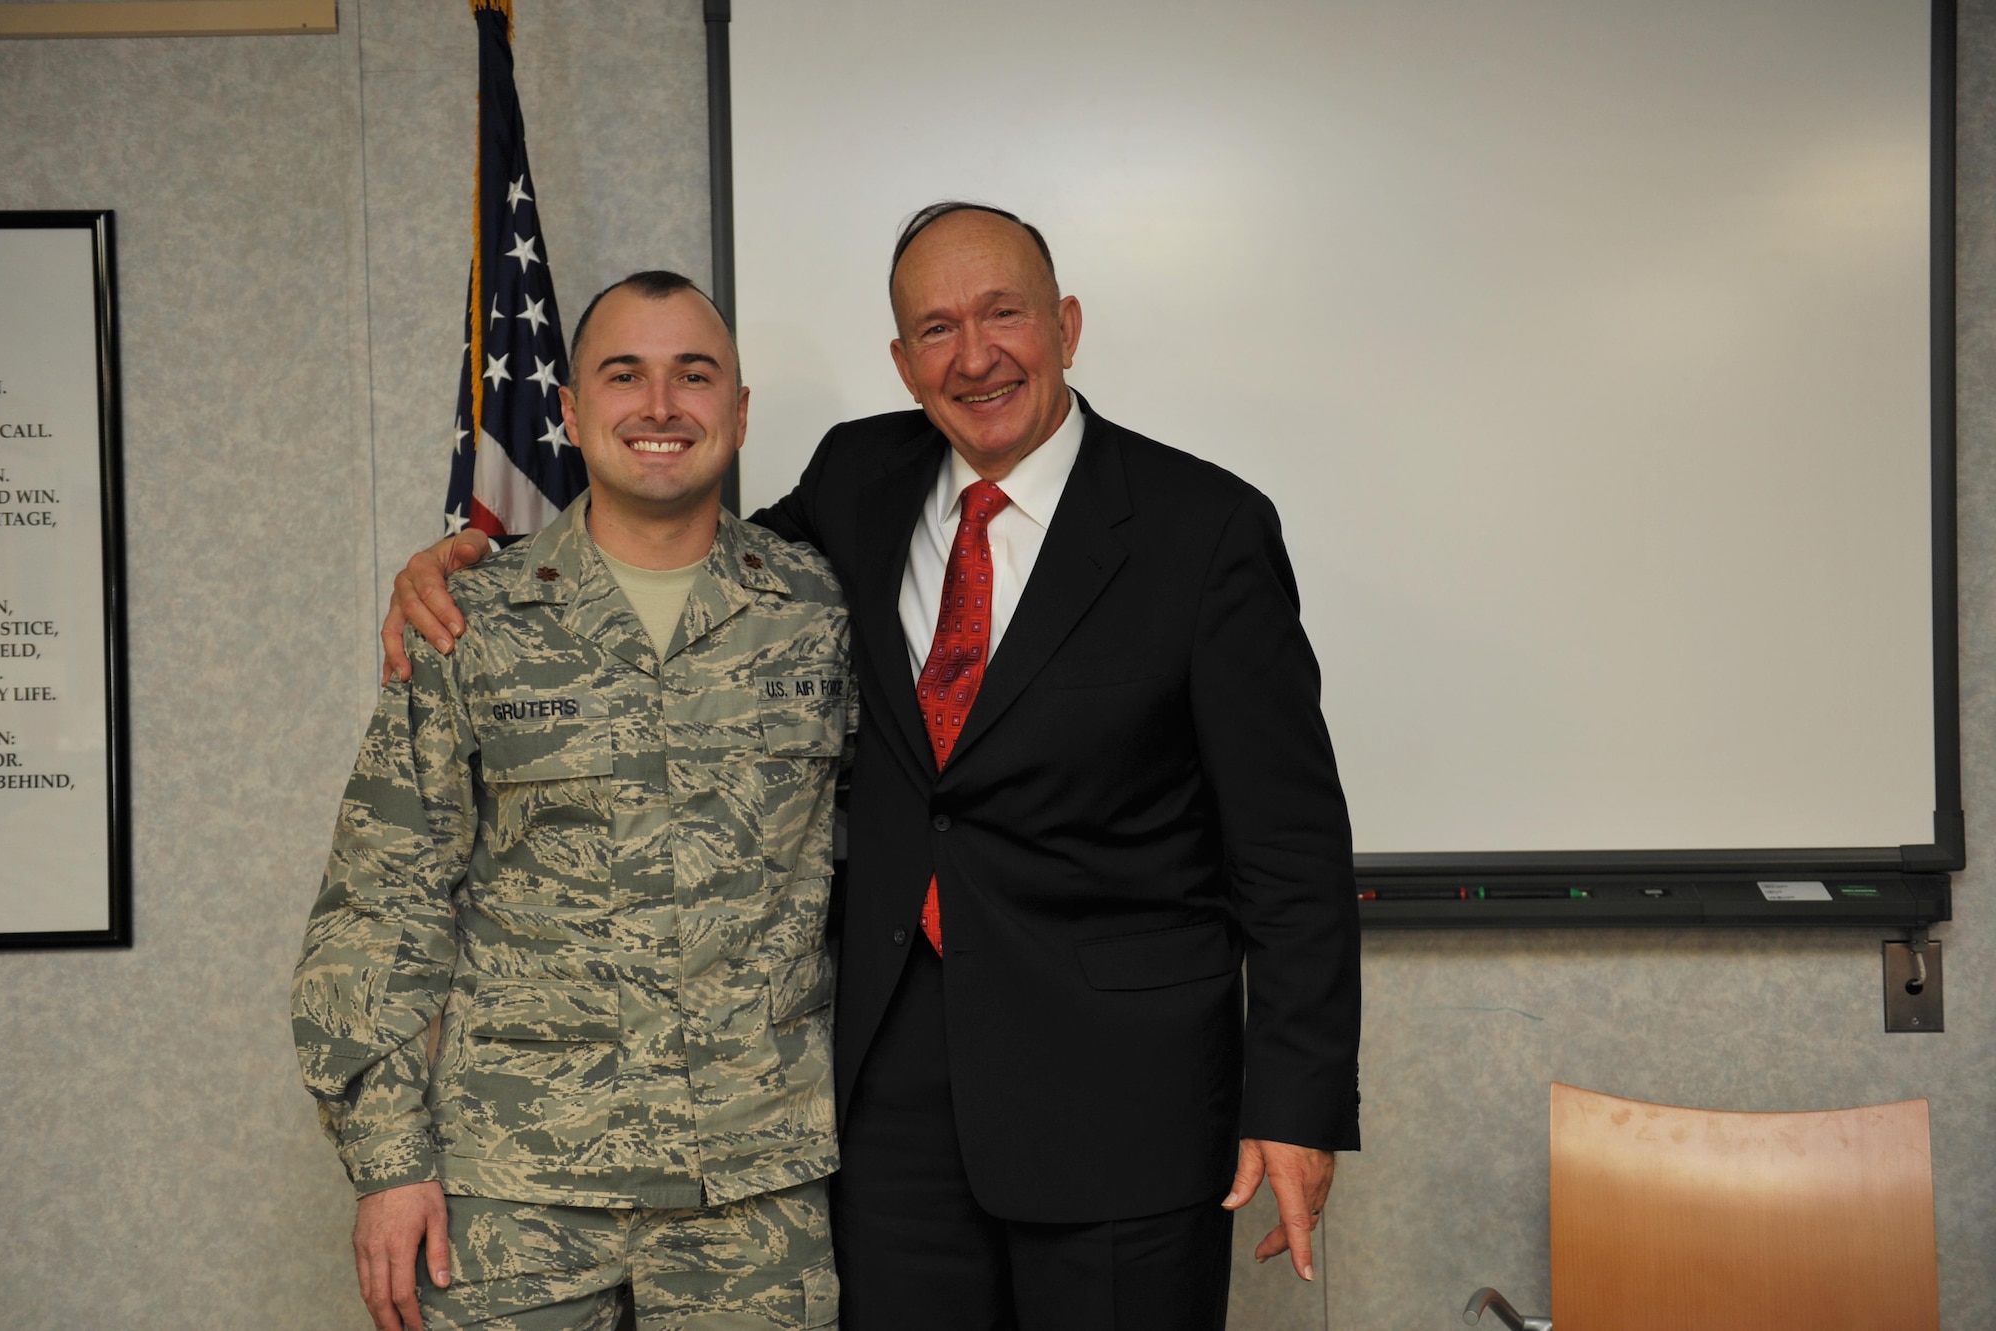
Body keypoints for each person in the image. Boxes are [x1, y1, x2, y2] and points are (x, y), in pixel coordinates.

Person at [385, 205, 1361, 1331]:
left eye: (1003, 314)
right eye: (934, 329)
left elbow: (1289, 849)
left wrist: (1293, 1105)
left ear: (1068, 325)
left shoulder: (1207, 528)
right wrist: (475, 568)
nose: (974, 353)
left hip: (1121, 1104)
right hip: (888, 1102)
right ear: (903, 363)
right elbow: (690, 565)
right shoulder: (859, 476)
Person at [296, 271, 852, 1331]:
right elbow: (381, 900)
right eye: (623, 374)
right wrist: (388, 1161)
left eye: (693, 375)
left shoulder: (816, 610)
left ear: (738, 411)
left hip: (754, 1191)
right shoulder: (471, 619)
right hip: (514, 1191)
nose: (658, 405)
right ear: (568, 408)